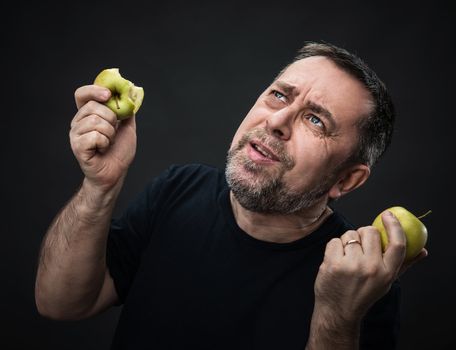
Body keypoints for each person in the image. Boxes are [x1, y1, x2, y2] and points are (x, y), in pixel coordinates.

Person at [35, 42, 427, 349]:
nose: (276, 122)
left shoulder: (361, 280)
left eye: (314, 119)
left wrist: (337, 316)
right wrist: (100, 186)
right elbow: (62, 303)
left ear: (347, 179)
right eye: (279, 96)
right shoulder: (178, 189)